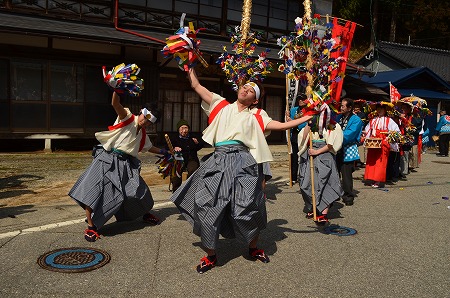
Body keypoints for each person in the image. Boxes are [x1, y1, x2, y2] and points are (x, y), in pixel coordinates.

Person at [171, 67, 312, 274]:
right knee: (207, 205)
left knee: (247, 207)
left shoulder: (257, 114)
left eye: (251, 90)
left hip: (243, 161)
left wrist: (310, 116)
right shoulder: (220, 104)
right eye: (244, 86)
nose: (245, 90)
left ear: (255, 100)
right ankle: (211, 255)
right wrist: (188, 63)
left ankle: (252, 248)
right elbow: (196, 86)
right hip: (218, 159)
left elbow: (282, 126)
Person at [69, 92, 167, 242]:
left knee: (139, 190)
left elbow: (149, 147)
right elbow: (116, 104)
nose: (146, 122)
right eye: (146, 117)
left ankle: (145, 214)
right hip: (107, 159)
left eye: (150, 122)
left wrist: (164, 152)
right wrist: (116, 90)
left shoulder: (143, 134)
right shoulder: (128, 118)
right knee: (94, 189)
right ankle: (91, 226)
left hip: (126, 164)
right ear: (141, 111)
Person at [297, 113, 343, 223]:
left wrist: (317, 151)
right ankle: (313, 206)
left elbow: (331, 144)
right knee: (306, 183)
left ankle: (323, 212)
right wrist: (309, 124)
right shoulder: (311, 124)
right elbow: (303, 138)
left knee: (326, 183)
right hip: (310, 153)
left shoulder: (333, 125)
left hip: (325, 154)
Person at [361, 102, 400, 188]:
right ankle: (371, 178)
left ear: (385, 110)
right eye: (378, 109)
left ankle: (378, 180)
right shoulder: (373, 120)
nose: (379, 110)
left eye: (381, 109)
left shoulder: (389, 120)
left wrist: (389, 135)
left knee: (381, 162)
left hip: (383, 143)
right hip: (373, 143)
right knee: (371, 161)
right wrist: (365, 136)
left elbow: (396, 131)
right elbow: (368, 130)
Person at [336, 98, 363, 206]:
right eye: (341, 105)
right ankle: (335, 193)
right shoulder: (339, 117)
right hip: (337, 148)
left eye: (343, 106)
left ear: (350, 107)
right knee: (335, 173)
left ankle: (348, 196)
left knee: (346, 174)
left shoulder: (356, 120)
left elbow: (350, 134)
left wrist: (335, 137)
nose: (341, 107)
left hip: (348, 148)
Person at [169, 119, 204, 192]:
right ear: (178, 129)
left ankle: (189, 189)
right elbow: (168, 147)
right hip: (178, 158)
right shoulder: (174, 138)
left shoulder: (193, 137)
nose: (184, 130)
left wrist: (197, 143)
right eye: (182, 128)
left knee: (193, 169)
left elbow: (201, 145)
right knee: (176, 171)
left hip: (191, 158)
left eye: (186, 128)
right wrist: (174, 148)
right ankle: (176, 190)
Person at [286, 95, 307, 185]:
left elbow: (306, 123)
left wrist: (293, 122)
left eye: (302, 99)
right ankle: (293, 177)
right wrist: (288, 117)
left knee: (303, 156)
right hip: (294, 135)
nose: (300, 101)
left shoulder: (308, 110)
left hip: (303, 134)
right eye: (299, 99)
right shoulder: (294, 110)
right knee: (293, 157)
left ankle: (304, 176)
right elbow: (289, 121)